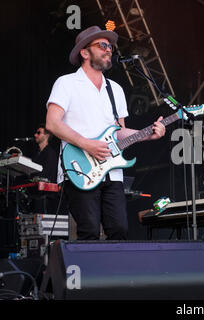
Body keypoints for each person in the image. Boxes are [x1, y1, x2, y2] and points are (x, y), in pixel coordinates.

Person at [45, 26, 166, 240]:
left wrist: (148, 134)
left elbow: (118, 132)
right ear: (84, 52)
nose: (109, 49)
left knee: (119, 229)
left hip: (112, 171)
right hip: (79, 168)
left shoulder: (115, 89)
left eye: (110, 46)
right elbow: (52, 124)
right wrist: (86, 143)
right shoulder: (67, 83)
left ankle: (113, 272)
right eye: (102, 45)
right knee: (89, 230)